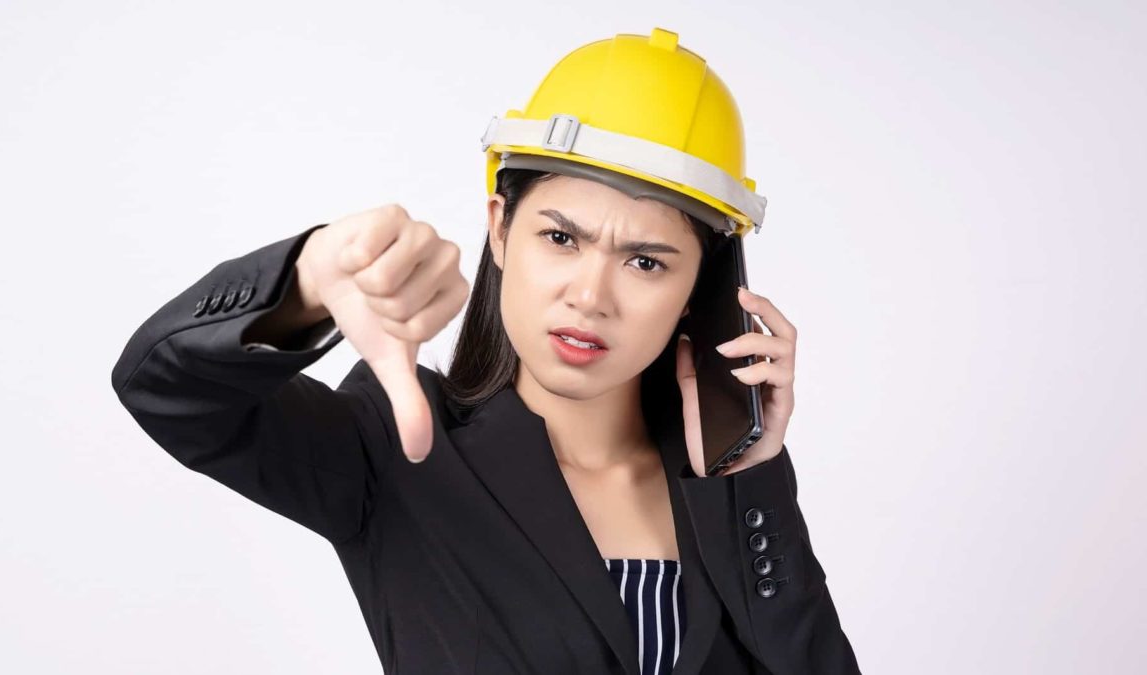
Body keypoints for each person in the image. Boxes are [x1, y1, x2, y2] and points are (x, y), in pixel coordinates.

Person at [111, 28, 860, 675]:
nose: (591, 295)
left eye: (647, 261)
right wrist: (303, 281)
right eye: (561, 237)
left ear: (702, 290)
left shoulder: (721, 488)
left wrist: (749, 476)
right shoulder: (400, 450)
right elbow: (165, 389)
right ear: (501, 227)